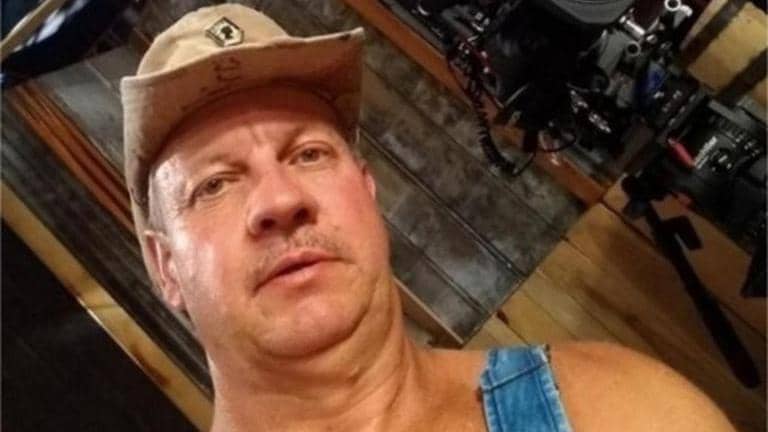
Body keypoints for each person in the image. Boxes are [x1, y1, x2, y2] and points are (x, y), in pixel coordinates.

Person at [121, 4, 736, 431]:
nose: (280, 200)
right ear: (165, 265)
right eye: (215, 185)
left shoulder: (619, 410)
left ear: (367, 189)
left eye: (308, 154)